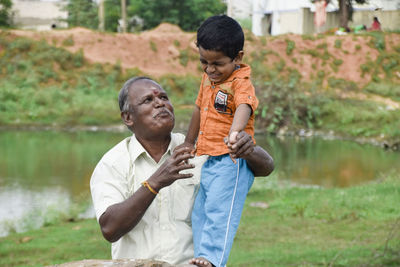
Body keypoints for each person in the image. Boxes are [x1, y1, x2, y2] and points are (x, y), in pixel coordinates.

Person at [90, 76, 274, 265]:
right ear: (128, 117)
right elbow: (110, 229)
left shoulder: (200, 148)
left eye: (164, 98)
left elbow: (266, 167)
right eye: (148, 100)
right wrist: (155, 183)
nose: (160, 104)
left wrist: (248, 149)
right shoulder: (113, 163)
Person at [176, 15, 259, 267]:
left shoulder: (240, 82)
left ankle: (213, 260)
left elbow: (245, 106)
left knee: (220, 212)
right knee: (201, 211)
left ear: (238, 58)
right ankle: (201, 256)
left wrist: (235, 134)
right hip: (210, 158)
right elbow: (198, 109)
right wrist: (189, 142)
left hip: (232, 160)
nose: (210, 69)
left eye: (218, 64)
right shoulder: (208, 79)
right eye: (204, 62)